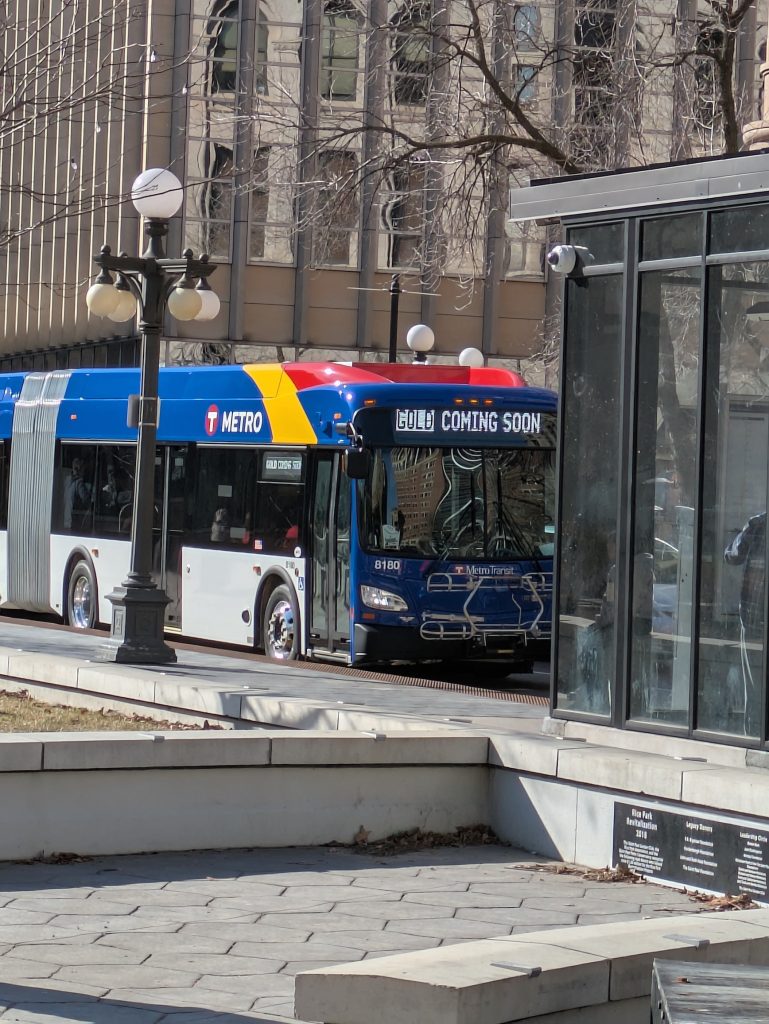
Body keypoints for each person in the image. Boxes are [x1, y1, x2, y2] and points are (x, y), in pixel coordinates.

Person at [724, 511, 766, 735]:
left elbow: (732, 555)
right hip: (755, 620)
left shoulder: (759, 524)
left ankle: (754, 738)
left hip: (754, 621)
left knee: (755, 687)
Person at [64, 457, 92, 530]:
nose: (84, 472)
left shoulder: (67, 480)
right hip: (75, 521)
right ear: (79, 469)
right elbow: (86, 500)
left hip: (66, 519)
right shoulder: (79, 483)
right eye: (83, 469)